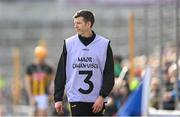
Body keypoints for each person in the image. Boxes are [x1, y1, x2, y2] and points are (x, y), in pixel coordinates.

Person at [54, 9, 114, 116]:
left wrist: (102, 96)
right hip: (76, 97)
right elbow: (61, 72)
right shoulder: (69, 44)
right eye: (74, 23)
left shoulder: (104, 44)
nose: (75, 26)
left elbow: (109, 75)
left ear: (88, 24)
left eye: (79, 23)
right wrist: (58, 98)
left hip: (97, 99)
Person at [25, 45, 54, 116]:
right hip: (34, 94)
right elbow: (27, 82)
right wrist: (30, 96)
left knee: (42, 113)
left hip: (44, 94)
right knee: (34, 114)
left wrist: (51, 93)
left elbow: (52, 81)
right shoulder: (30, 67)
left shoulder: (48, 68)